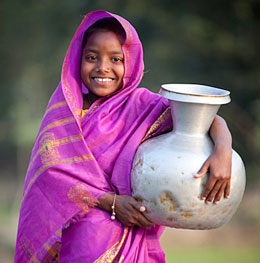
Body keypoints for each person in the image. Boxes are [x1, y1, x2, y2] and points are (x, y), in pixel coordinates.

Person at [15, 10, 232, 263]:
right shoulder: (66, 112)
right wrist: (111, 202)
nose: (102, 68)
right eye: (92, 57)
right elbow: (52, 172)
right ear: (77, 60)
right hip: (80, 245)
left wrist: (223, 150)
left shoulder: (143, 106)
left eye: (115, 59)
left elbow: (205, 119)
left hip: (132, 241)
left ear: (131, 61)